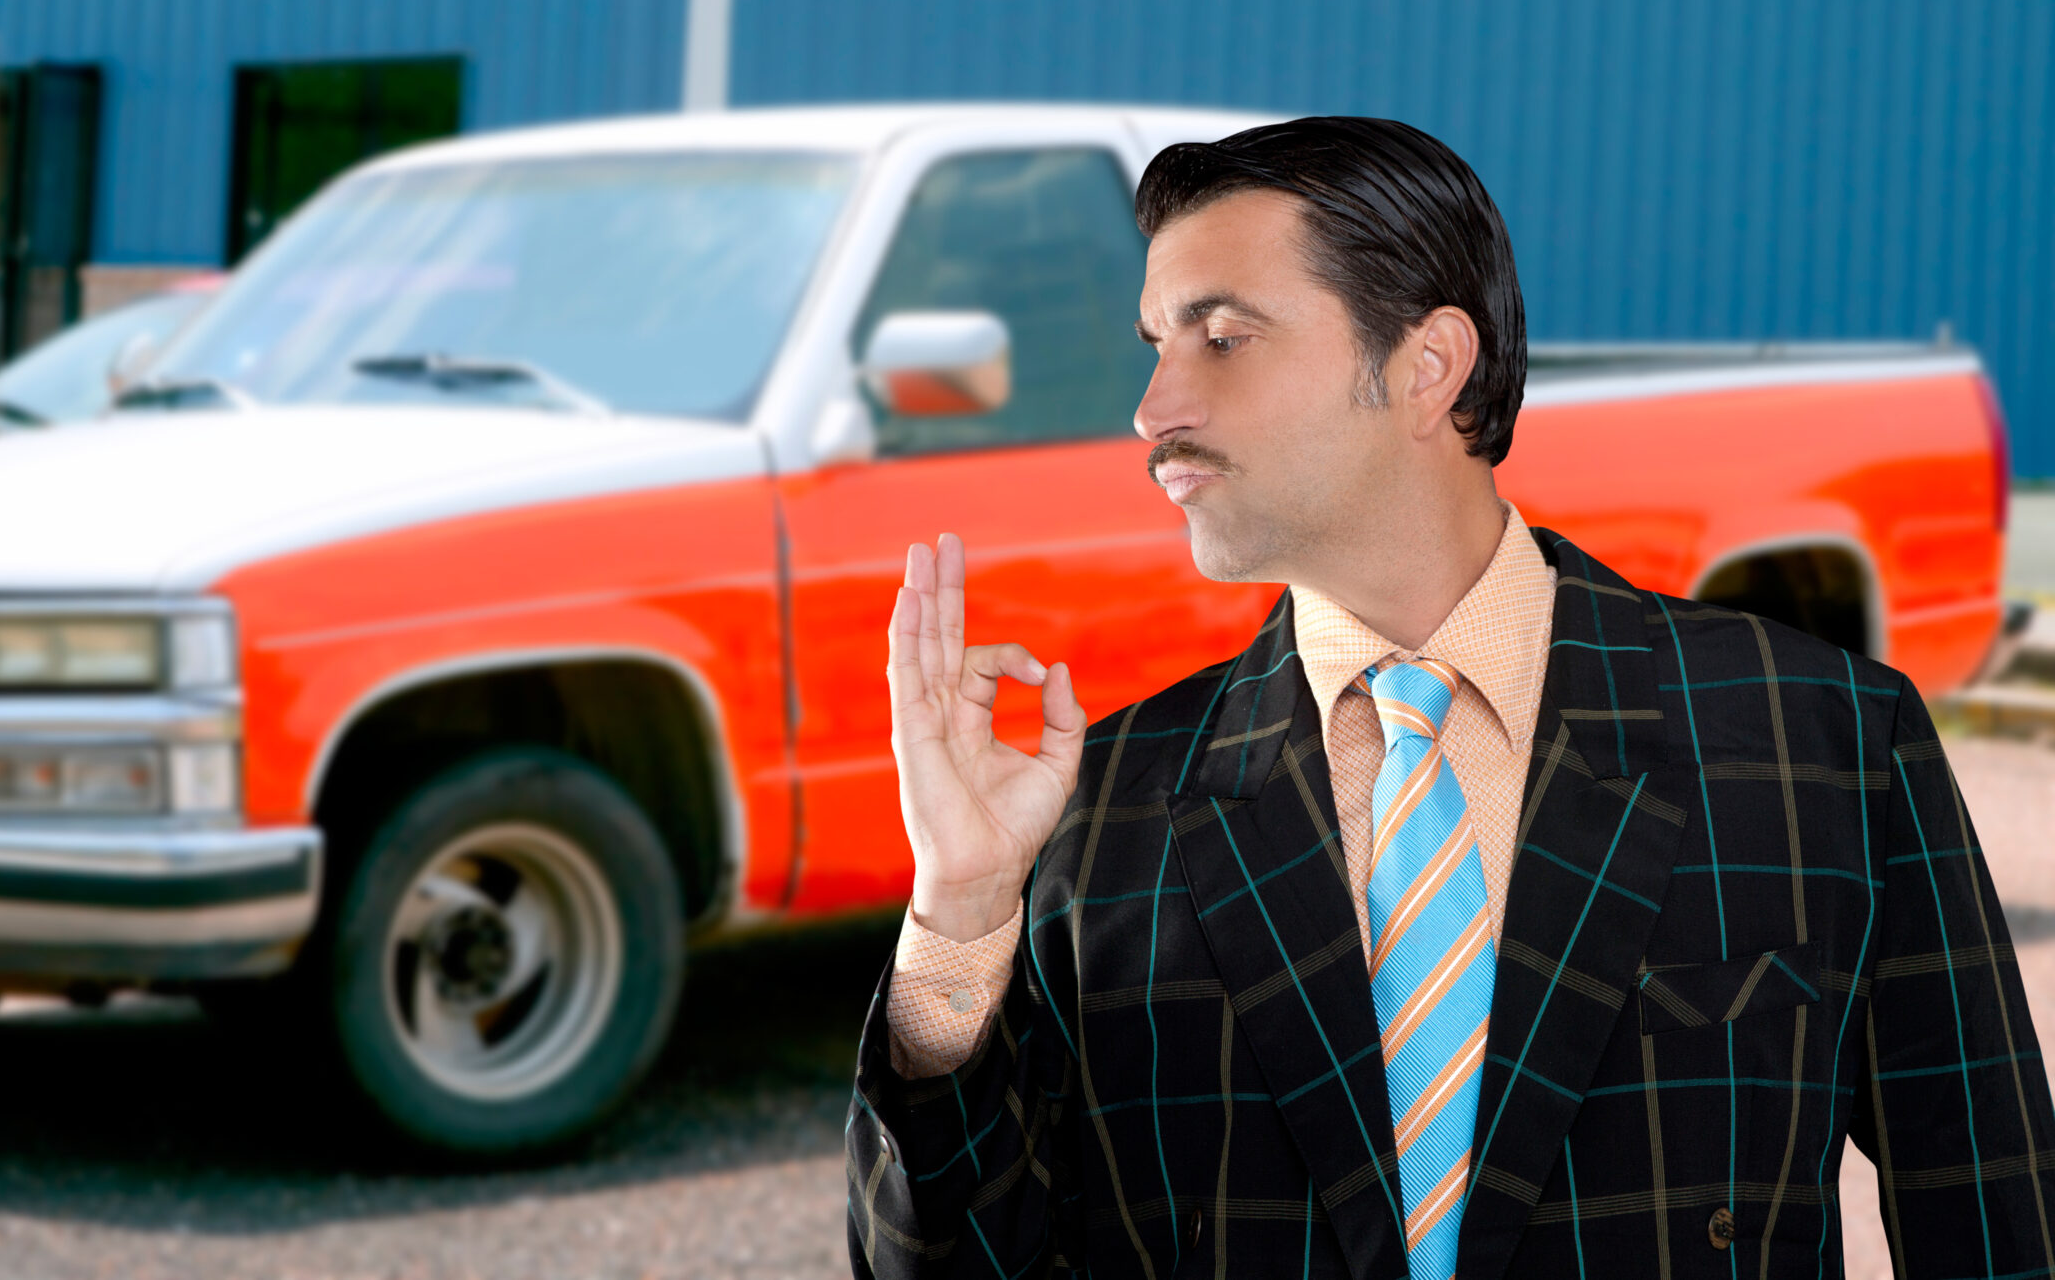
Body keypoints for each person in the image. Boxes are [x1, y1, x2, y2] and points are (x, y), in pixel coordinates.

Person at [847, 117, 2055, 1279]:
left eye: (1219, 337)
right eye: (1156, 345)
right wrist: (960, 912)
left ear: (1427, 365)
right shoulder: (1097, 811)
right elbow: (950, 1264)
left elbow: (1995, 1220)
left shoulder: (1822, 743)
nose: (1153, 409)